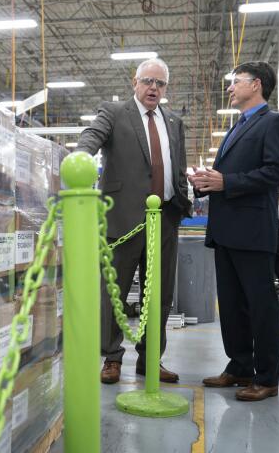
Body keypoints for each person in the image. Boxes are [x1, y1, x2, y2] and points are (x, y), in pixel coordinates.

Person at [77, 58, 191, 384]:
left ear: (165, 88)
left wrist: (181, 204)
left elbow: (177, 167)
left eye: (160, 83)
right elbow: (91, 135)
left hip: (165, 219)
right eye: (148, 81)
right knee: (114, 290)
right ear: (135, 82)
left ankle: (150, 360)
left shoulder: (174, 121)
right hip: (122, 218)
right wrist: (80, 157)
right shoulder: (114, 113)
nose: (153, 88)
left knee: (158, 295)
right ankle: (111, 358)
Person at [189, 61, 279, 401]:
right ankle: (239, 367)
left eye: (236, 82)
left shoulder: (274, 122)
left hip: (251, 231)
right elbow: (228, 177)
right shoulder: (237, 127)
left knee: (260, 306)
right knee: (232, 305)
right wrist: (206, 183)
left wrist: (226, 181)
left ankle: (267, 377)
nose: (230, 88)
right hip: (226, 230)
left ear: (257, 85)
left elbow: (275, 173)